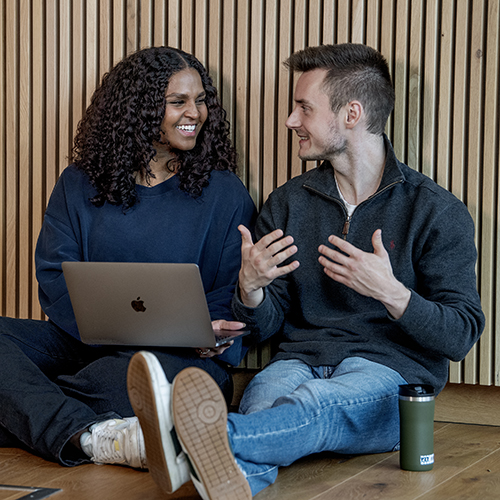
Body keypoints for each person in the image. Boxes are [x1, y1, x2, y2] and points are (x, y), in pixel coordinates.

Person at [126, 43, 485, 499]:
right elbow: (263, 326)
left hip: (388, 375)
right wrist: (252, 290)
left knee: (314, 406)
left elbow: (460, 335)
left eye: (303, 108)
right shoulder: (288, 203)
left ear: (351, 114)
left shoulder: (434, 211)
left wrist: (393, 294)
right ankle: (230, 480)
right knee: (267, 404)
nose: (291, 121)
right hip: (297, 362)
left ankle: (180, 444)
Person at [0, 46, 256, 480]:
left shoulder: (225, 194)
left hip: (176, 358)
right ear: (138, 109)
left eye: (201, 100)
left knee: (129, 383)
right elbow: (54, 276)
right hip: (79, 344)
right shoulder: (79, 183)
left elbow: (230, 294)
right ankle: (91, 435)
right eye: (178, 102)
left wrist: (207, 331)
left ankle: (29, 410)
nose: (195, 112)